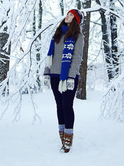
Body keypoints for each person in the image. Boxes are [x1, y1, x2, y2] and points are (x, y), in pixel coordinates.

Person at [44, 9, 84, 153]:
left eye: (71, 15)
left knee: (67, 106)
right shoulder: (58, 34)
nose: (67, 16)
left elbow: (77, 57)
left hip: (68, 77)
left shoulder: (77, 36)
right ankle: (62, 135)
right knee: (59, 106)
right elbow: (51, 55)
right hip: (55, 75)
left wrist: (71, 76)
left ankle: (68, 138)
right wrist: (46, 73)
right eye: (67, 13)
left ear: (76, 20)